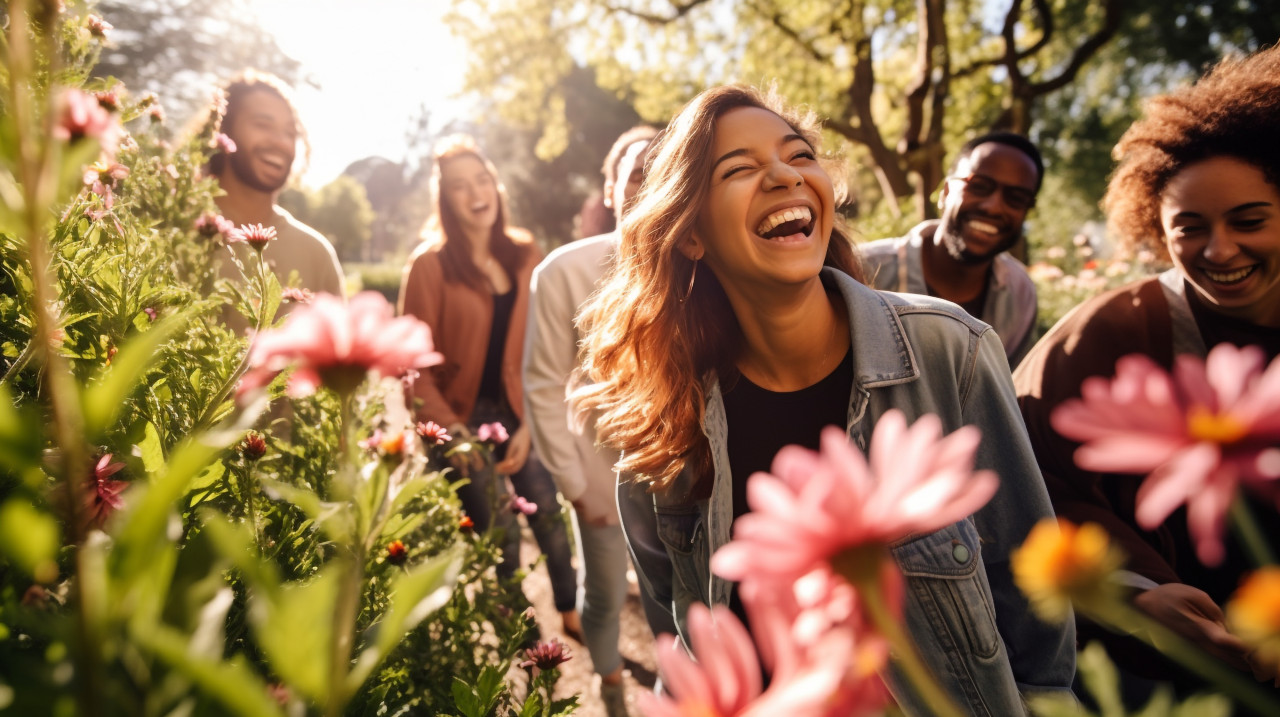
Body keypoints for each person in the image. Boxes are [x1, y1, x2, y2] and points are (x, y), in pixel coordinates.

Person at [570, 85, 1075, 715]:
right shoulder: (659, 419)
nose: (785, 175)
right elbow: (682, 635)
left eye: (798, 155)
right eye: (740, 169)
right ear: (691, 234)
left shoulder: (953, 350)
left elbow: (1035, 606)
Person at [1014, 45, 1280, 692]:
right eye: (1189, 227)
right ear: (1157, 231)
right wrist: (1136, 593)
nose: (1220, 249)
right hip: (1180, 667)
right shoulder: (1114, 333)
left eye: (1250, 220)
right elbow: (1027, 477)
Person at [398, 135, 580, 636]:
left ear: (495, 186)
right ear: (446, 199)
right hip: (456, 417)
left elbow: (540, 346)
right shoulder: (429, 265)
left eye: (481, 179)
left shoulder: (524, 254)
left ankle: (572, 612)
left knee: (549, 514)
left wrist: (529, 424)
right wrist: (454, 432)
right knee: (499, 532)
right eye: (459, 186)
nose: (474, 192)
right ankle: (519, 637)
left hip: (517, 412)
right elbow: (413, 367)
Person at [523, 125, 658, 715]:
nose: (649, 184)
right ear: (610, 188)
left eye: (664, 168)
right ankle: (610, 687)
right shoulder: (562, 272)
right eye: (634, 174)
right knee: (603, 596)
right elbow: (542, 384)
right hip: (603, 482)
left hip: (692, 481)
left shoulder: (717, 265)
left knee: (686, 602)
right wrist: (575, 487)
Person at [861, 131, 1042, 366]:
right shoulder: (863, 270)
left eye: (1016, 198)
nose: (994, 207)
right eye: (979, 186)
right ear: (945, 193)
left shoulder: (1020, 293)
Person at [210, 70, 344, 313]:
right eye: (263, 125)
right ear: (223, 131)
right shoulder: (175, 232)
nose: (281, 142)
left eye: (290, 133)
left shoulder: (317, 253)